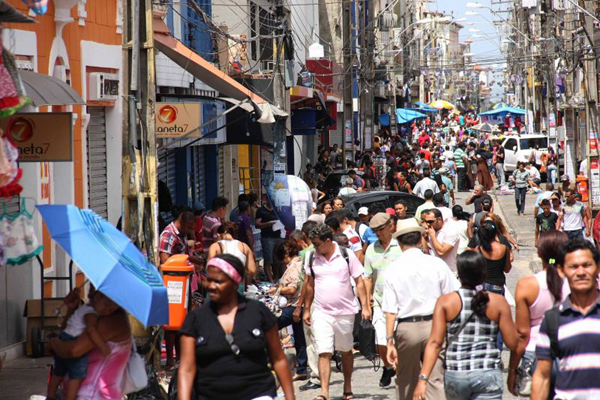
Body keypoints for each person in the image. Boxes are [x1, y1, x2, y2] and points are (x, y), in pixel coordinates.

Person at [178, 254, 295, 400]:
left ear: (235, 283)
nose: (211, 286)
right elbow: (186, 369)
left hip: (257, 393)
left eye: (218, 281)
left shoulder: (258, 313)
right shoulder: (195, 319)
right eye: (209, 280)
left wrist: (290, 397)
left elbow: (278, 359)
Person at [413, 251, 518, 400]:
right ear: (483, 272)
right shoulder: (498, 302)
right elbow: (513, 343)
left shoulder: (446, 302)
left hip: (456, 373)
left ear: (459, 274)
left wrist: (423, 380)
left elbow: (435, 343)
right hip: (487, 372)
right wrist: (512, 371)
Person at [384, 218, 460, 400]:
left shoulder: (393, 269)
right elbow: (453, 296)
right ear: (420, 239)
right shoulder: (436, 264)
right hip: (435, 325)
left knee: (406, 380)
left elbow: (390, 310)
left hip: (406, 328)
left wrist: (388, 342)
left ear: (399, 242)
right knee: (435, 378)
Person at [302, 223, 371, 400]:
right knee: (323, 351)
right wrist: (306, 309)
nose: (315, 247)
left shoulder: (346, 255)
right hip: (321, 311)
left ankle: (347, 386)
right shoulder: (311, 256)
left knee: (346, 350)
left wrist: (365, 306)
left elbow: (360, 281)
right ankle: (324, 393)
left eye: (317, 244)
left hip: (345, 312)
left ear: (327, 240)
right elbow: (309, 285)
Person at [531, 240, 600, 400]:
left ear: (597, 267)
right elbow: (542, 376)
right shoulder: (553, 319)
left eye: (587, 265)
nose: (581, 272)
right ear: (562, 270)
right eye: (573, 266)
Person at [507, 230, 569, 397]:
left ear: (539, 252)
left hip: (535, 353)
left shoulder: (527, 285)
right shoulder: (578, 283)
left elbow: (522, 333)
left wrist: (512, 369)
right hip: (570, 351)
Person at [49, 288, 132, 400]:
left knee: (58, 373)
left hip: (94, 395)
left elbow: (74, 350)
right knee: (58, 373)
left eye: (112, 304)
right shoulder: (93, 311)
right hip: (87, 394)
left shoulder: (112, 320)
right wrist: (72, 311)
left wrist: (54, 344)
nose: (110, 308)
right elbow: (68, 334)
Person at [363, 213, 403, 387]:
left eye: (380, 230)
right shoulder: (371, 249)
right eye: (375, 231)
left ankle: (401, 373)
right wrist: (367, 301)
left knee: (400, 340)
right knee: (380, 341)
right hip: (380, 301)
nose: (378, 234)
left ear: (389, 226)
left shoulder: (401, 246)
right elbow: (367, 277)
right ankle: (388, 367)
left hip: (401, 302)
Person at [159, 210, 203, 368]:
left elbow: (182, 254)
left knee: (181, 321)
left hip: (183, 282)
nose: (190, 231)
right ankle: (170, 360)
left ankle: (179, 357)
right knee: (172, 322)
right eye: (189, 227)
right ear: (182, 222)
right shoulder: (169, 234)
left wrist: (192, 259)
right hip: (172, 284)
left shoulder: (182, 234)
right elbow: (165, 259)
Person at [272, 241, 308, 381]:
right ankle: (302, 369)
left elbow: (292, 289)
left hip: (294, 305)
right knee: (300, 338)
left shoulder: (294, 266)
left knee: (270, 325)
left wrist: (278, 289)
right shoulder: (300, 263)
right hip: (299, 304)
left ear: (286, 254)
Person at [207, 222, 257, 290]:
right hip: (237, 286)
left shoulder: (215, 246)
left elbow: (209, 268)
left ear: (218, 235)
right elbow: (252, 270)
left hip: (219, 286)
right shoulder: (244, 246)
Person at [423, 208, 460, 272]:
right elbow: (426, 251)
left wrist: (433, 237)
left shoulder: (450, 231)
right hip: (434, 270)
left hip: (448, 271)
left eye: (430, 221)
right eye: (426, 221)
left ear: (439, 219)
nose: (428, 224)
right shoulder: (432, 230)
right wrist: (423, 237)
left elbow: (442, 252)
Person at [256, 199, 283, 282]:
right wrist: (268, 224)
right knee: (268, 260)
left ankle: (275, 278)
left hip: (278, 237)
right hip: (267, 238)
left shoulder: (278, 209)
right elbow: (257, 224)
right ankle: (270, 279)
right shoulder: (261, 210)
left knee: (277, 260)